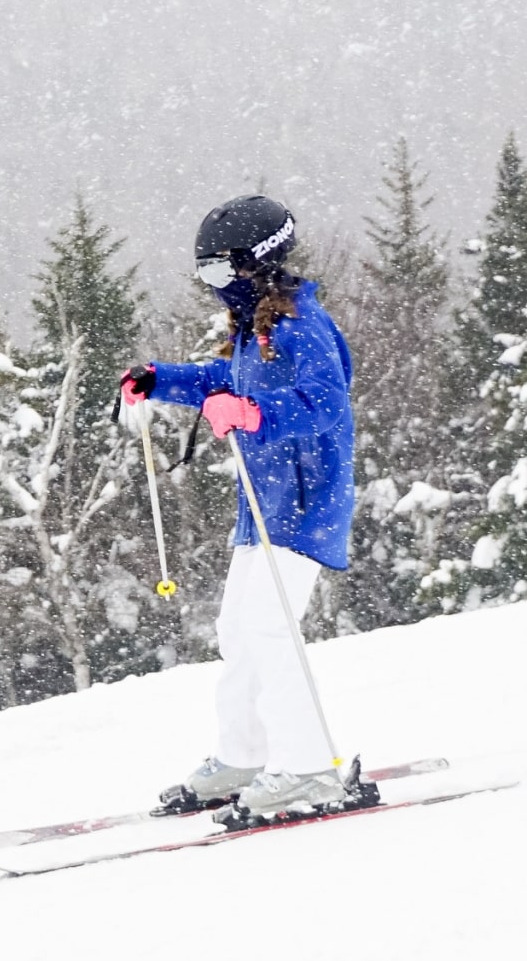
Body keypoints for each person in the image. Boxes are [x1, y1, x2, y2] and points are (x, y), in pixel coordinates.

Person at [118, 195, 360, 819]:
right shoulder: (257, 329)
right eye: (204, 275)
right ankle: (243, 755)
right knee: (238, 630)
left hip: (307, 503)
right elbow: (223, 385)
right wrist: (159, 379)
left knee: (269, 628)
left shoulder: (301, 326)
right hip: (264, 506)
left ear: (258, 263)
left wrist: (255, 415)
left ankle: (310, 770)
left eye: (221, 273)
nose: (213, 287)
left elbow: (327, 403)